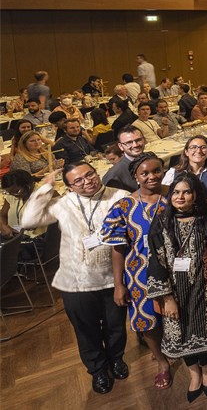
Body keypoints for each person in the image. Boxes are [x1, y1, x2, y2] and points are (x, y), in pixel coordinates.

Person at [20, 163, 130, 394]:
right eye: (78, 180)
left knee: (116, 326)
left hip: (114, 278)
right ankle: (98, 370)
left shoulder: (119, 197)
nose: (87, 181)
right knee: (86, 330)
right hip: (76, 281)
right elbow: (28, 221)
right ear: (69, 187)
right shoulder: (63, 204)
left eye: (89, 174)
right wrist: (45, 187)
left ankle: (116, 359)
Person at [146, 172, 207, 402]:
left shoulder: (206, 220)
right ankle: (194, 374)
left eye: (186, 192)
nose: (180, 196)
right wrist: (166, 297)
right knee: (181, 332)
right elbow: (155, 260)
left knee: (203, 329)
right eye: (176, 192)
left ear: (195, 195)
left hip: (204, 286)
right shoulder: (161, 222)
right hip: (174, 290)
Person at [100, 153, 171, 389]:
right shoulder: (124, 206)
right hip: (139, 272)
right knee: (147, 319)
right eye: (145, 173)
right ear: (135, 177)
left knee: (177, 312)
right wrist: (119, 284)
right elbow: (118, 249)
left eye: (156, 171)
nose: (152, 176)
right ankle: (162, 362)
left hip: (176, 269)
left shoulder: (175, 195)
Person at [162, 136, 207, 205]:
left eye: (203, 147)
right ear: (186, 152)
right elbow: (162, 197)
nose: (198, 151)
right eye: (193, 147)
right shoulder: (173, 172)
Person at [101, 126, 145, 192]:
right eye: (129, 143)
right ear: (121, 146)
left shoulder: (152, 159)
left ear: (144, 140)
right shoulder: (114, 176)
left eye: (138, 140)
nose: (135, 145)